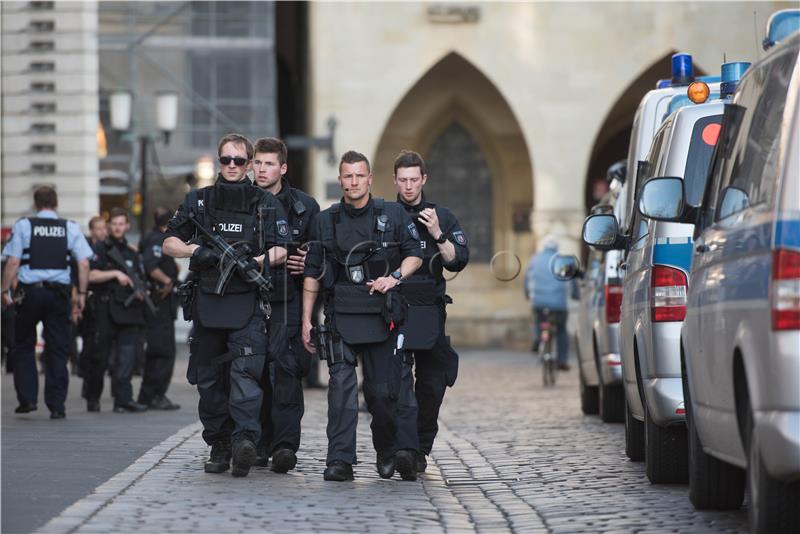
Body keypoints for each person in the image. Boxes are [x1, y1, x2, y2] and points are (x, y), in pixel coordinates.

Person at [163, 133, 288, 478]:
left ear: (249, 163)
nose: (231, 166)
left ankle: (244, 441)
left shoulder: (265, 203)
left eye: (238, 160)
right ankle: (219, 443)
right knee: (210, 379)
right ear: (220, 162)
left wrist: (259, 260)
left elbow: (283, 247)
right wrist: (195, 251)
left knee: (246, 374)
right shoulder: (198, 202)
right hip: (208, 304)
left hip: (247, 304)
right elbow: (169, 242)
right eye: (225, 160)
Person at [302, 150, 423, 482]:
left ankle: (387, 452)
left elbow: (416, 255)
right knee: (340, 389)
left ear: (369, 178)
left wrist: (395, 277)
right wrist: (306, 320)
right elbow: (313, 273)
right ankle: (339, 460)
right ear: (340, 179)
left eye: (359, 175)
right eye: (347, 176)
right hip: (341, 315)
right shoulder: (325, 220)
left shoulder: (394, 214)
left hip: (382, 317)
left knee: (382, 394)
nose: (353, 182)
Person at [391, 150, 469, 473]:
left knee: (432, 383)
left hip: (429, 311)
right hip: (394, 310)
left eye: (414, 179)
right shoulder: (386, 215)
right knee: (393, 385)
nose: (409, 186)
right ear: (395, 180)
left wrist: (437, 233)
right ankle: (402, 449)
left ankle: (420, 447)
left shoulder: (443, 216)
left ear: (424, 179)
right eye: (403, 180)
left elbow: (457, 260)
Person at [251, 137, 320, 473]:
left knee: (287, 372)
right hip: (248, 301)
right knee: (253, 372)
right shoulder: (242, 200)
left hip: (289, 298)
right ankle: (258, 442)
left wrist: (307, 261)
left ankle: (285, 446)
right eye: (258, 163)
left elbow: (321, 256)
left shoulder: (305, 206)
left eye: (268, 164)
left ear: (283, 168)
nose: (262, 170)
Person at [1, 186, 92, 418]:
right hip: (58, 295)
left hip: (29, 293)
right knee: (58, 348)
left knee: (23, 344)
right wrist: (81, 294)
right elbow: (83, 264)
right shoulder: (69, 227)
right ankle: (57, 406)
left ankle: (28, 399)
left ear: (35, 203)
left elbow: (13, 261)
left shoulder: (24, 225)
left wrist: (3, 290)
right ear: (56, 204)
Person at [85, 207, 150, 413]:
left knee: (126, 357)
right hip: (105, 309)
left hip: (129, 310)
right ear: (109, 226)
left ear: (127, 226)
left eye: (121, 224)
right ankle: (93, 397)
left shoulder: (132, 252)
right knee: (100, 358)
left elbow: (141, 278)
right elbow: (90, 276)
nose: (117, 227)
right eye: (114, 224)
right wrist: (114, 274)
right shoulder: (100, 249)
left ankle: (123, 399)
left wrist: (141, 291)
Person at [137, 207, 181, 411]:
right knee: (163, 351)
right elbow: (150, 265)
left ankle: (149, 395)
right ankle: (155, 394)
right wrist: (167, 281)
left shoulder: (153, 237)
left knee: (159, 350)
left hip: (158, 303)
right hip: (158, 303)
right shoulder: (158, 239)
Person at [524, 236, 571, 371]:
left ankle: (538, 338)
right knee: (561, 330)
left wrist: (528, 294)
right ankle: (562, 360)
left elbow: (527, 280)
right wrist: (575, 295)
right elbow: (571, 281)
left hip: (539, 302)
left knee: (537, 320)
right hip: (559, 305)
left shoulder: (535, 259)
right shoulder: (562, 260)